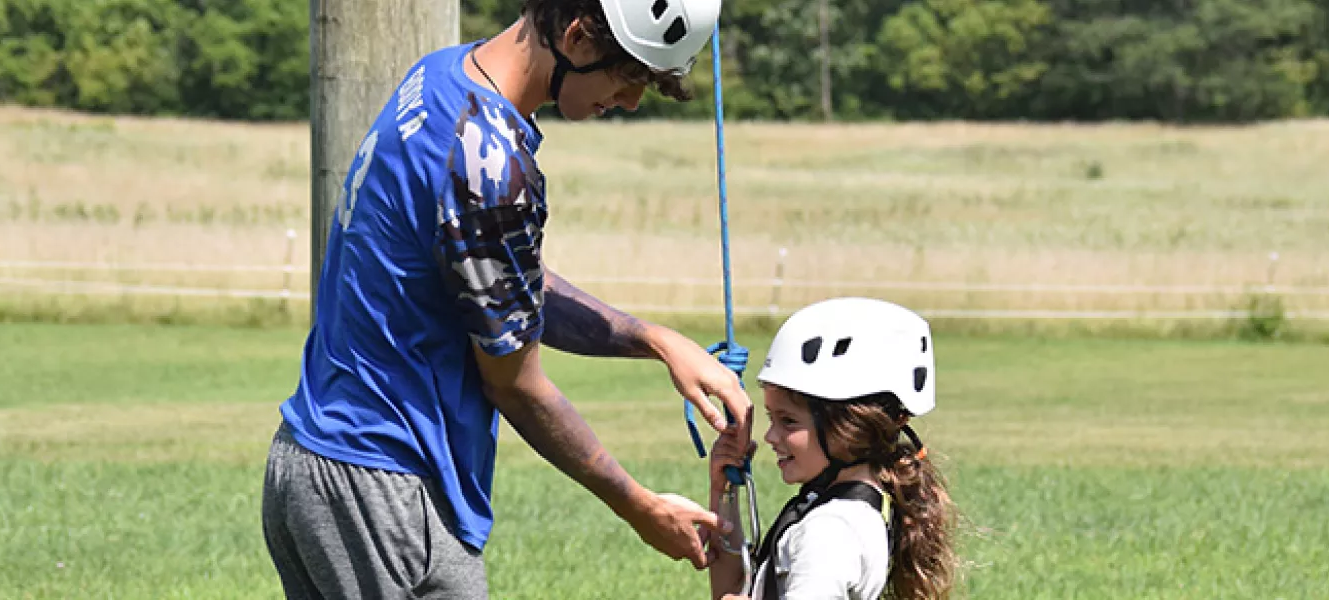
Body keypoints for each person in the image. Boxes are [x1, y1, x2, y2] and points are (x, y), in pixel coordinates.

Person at [260, 0, 753, 598]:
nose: (630, 102)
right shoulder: (488, 165)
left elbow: (502, 278)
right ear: (576, 35)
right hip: (384, 490)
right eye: (630, 77)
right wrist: (639, 506)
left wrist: (654, 340)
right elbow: (516, 385)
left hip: (318, 469)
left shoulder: (442, 77)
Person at [705, 298, 959, 600]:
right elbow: (734, 589)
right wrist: (724, 494)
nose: (770, 436)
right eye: (772, 418)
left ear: (848, 427)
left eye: (788, 421)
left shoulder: (829, 532)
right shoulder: (848, 510)